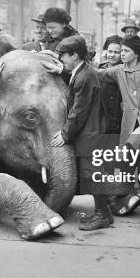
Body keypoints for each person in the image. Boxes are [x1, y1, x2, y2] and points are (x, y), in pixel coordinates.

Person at [41, 35, 108, 230]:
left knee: (93, 173)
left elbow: (79, 111)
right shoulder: (82, 72)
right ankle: (104, 212)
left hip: (90, 132)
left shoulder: (84, 77)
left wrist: (64, 134)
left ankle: (103, 215)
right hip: (92, 130)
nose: (62, 60)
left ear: (76, 56)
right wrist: (61, 70)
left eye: (64, 57)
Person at [95, 35, 140, 216]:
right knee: (128, 162)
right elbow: (97, 73)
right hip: (128, 123)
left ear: (136, 53)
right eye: (120, 51)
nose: (122, 54)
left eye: (125, 51)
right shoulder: (118, 70)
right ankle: (125, 199)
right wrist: (63, 68)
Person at [99, 35, 123, 136]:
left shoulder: (124, 69)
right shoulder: (100, 68)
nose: (112, 55)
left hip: (120, 118)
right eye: (110, 51)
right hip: (102, 119)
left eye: (116, 52)